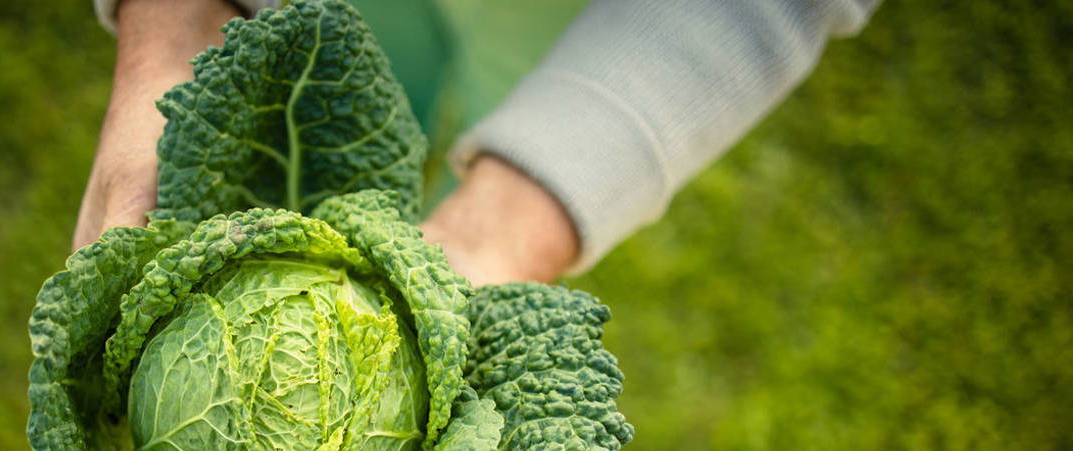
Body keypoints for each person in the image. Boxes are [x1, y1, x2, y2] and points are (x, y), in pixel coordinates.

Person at [73, 0, 881, 286]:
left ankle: (431, 247)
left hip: (583, 21)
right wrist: (176, 25)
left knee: (507, 137)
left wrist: (517, 218)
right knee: (329, 131)